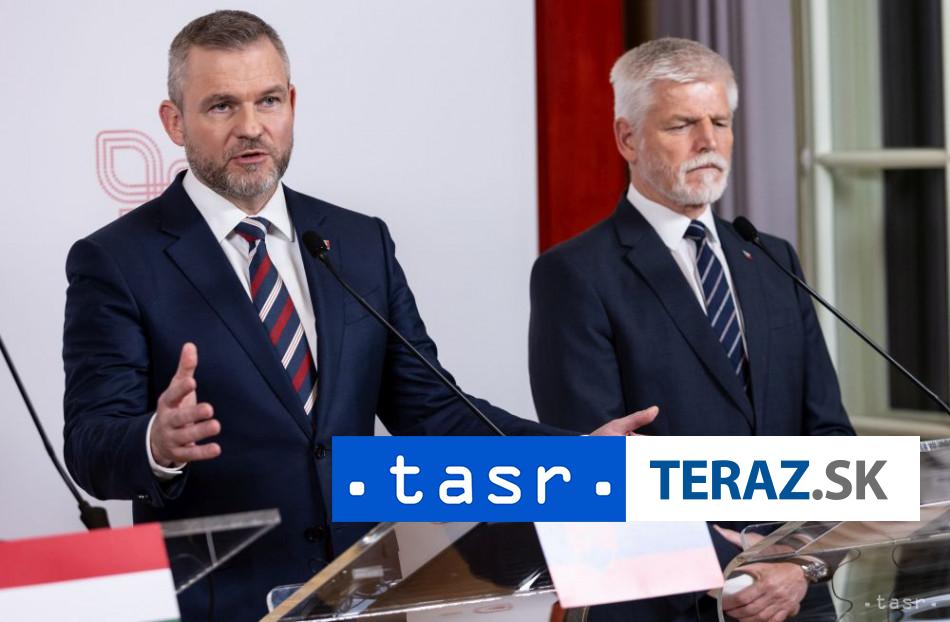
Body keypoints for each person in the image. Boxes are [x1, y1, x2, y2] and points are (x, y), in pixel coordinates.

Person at [62, 11, 653, 622]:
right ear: (173, 121)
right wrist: (156, 443)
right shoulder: (118, 260)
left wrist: (574, 458)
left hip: (364, 599)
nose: (251, 127)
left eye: (268, 100)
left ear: (292, 104)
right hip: (221, 606)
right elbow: (89, 444)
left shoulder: (355, 242)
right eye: (221, 106)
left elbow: (434, 413)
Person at [528, 38, 855, 622]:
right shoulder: (574, 274)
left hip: (794, 596)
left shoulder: (772, 257)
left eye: (720, 123)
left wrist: (798, 562)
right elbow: (594, 466)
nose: (708, 142)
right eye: (682, 124)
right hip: (665, 599)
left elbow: (829, 435)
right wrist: (734, 572)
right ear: (627, 138)